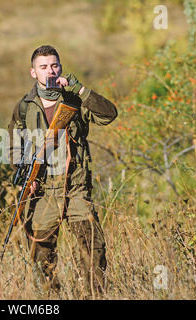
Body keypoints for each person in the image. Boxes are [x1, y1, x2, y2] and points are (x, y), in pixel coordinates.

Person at [8, 45, 117, 296]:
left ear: (61, 68)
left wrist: (80, 89)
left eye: (54, 65)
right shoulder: (24, 107)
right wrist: (25, 175)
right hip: (43, 191)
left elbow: (110, 114)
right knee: (41, 257)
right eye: (43, 67)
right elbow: (14, 146)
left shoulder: (74, 101)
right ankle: (50, 300)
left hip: (76, 188)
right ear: (33, 72)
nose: (50, 71)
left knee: (93, 252)